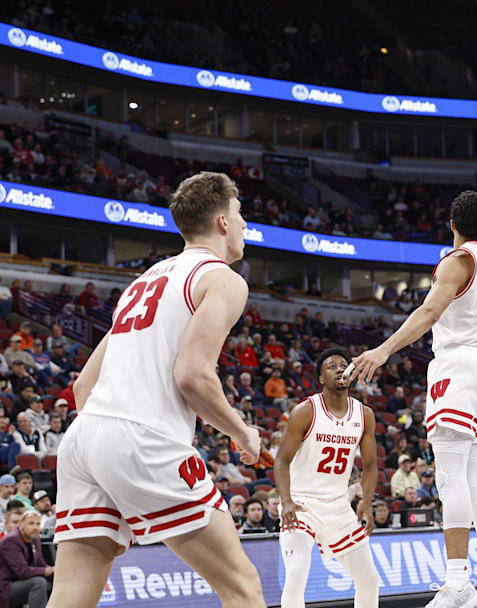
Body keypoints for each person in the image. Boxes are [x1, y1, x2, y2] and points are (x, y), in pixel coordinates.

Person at [349, 124, 477, 608]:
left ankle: (459, 581)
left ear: (451, 223)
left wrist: (383, 350)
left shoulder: (457, 261)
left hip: (456, 366)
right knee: (468, 480)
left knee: (449, 481)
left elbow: (427, 313)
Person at [48, 172, 265, 607]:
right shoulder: (222, 278)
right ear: (223, 221)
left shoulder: (143, 281)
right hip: (143, 438)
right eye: (240, 214)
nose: (244, 225)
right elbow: (193, 375)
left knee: (71, 593)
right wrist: (242, 432)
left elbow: (83, 383)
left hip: (83, 439)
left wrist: (110, 445)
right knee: (243, 586)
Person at [274, 349, 379, 608]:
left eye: (344, 366)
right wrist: (286, 501)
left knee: (370, 579)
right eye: (332, 367)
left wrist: (366, 501)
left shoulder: (364, 415)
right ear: (321, 378)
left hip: (339, 506)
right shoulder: (305, 411)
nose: (341, 369)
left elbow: (370, 465)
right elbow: (281, 461)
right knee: (297, 574)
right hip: (301, 504)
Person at [0, 510, 51, 608]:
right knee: (39, 583)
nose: (35, 527)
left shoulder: (35, 539)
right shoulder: (10, 541)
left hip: (20, 582)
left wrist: (53, 571)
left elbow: (41, 564)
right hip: (6, 588)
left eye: (38, 524)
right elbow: (23, 572)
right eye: (31, 523)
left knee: (52, 582)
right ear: (21, 524)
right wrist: (48, 570)